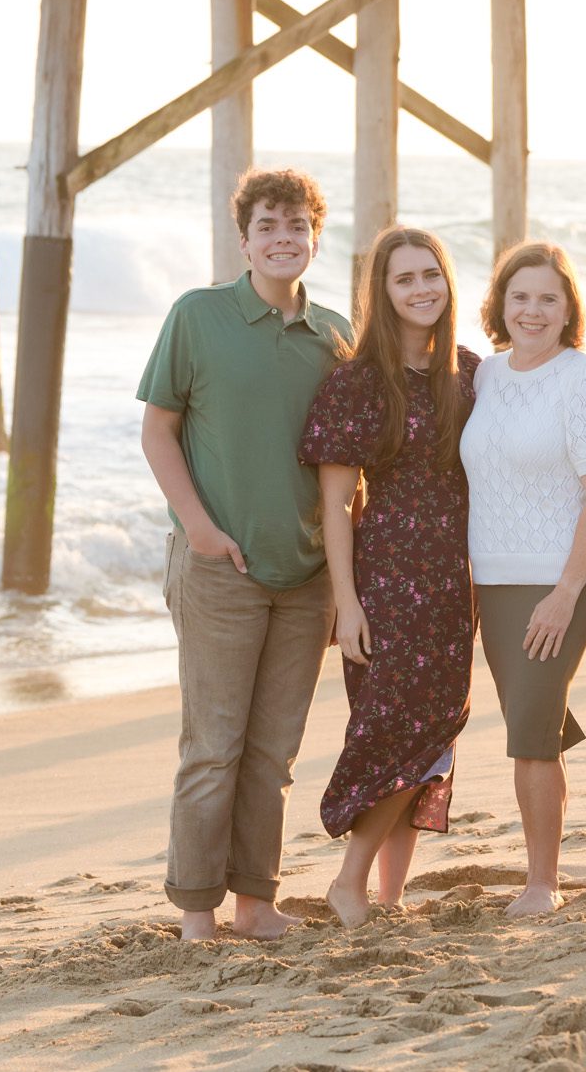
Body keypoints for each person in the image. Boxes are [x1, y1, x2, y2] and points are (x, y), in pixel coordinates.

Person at [138, 169, 354, 942]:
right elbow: (158, 430)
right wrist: (197, 526)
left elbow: (345, 471)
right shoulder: (198, 317)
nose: (284, 238)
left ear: (316, 237)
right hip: (218, 569)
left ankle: (255, 903)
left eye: (298, 226)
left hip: (304, 580)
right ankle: (198, 912)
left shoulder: (333, 336)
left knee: (272, 752)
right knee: (213, 747)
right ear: (245, 238)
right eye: (269, 225)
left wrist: (340, 578)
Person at [299, 227, 480, 928]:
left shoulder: (467, 373)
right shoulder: (355, 382)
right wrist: (345, 603)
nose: (422, 289)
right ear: (383, 290)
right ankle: (350, 880)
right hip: (386, 577)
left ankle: (391, 895)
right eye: (405, 279)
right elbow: (337, 501)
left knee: (434, 732)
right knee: (391, 729)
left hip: (451, 579)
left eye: (431, 274)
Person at [460, 242, 586, 917]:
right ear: (501, 304)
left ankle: (542, 883)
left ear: (569, 309)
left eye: (548, 298)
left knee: (530, 731)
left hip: (565, 577)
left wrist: (565, 590)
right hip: (493, 577)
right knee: (537, 720)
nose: (532, 310)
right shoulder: (484, 376)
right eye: (520, 296)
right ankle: (545, 869)